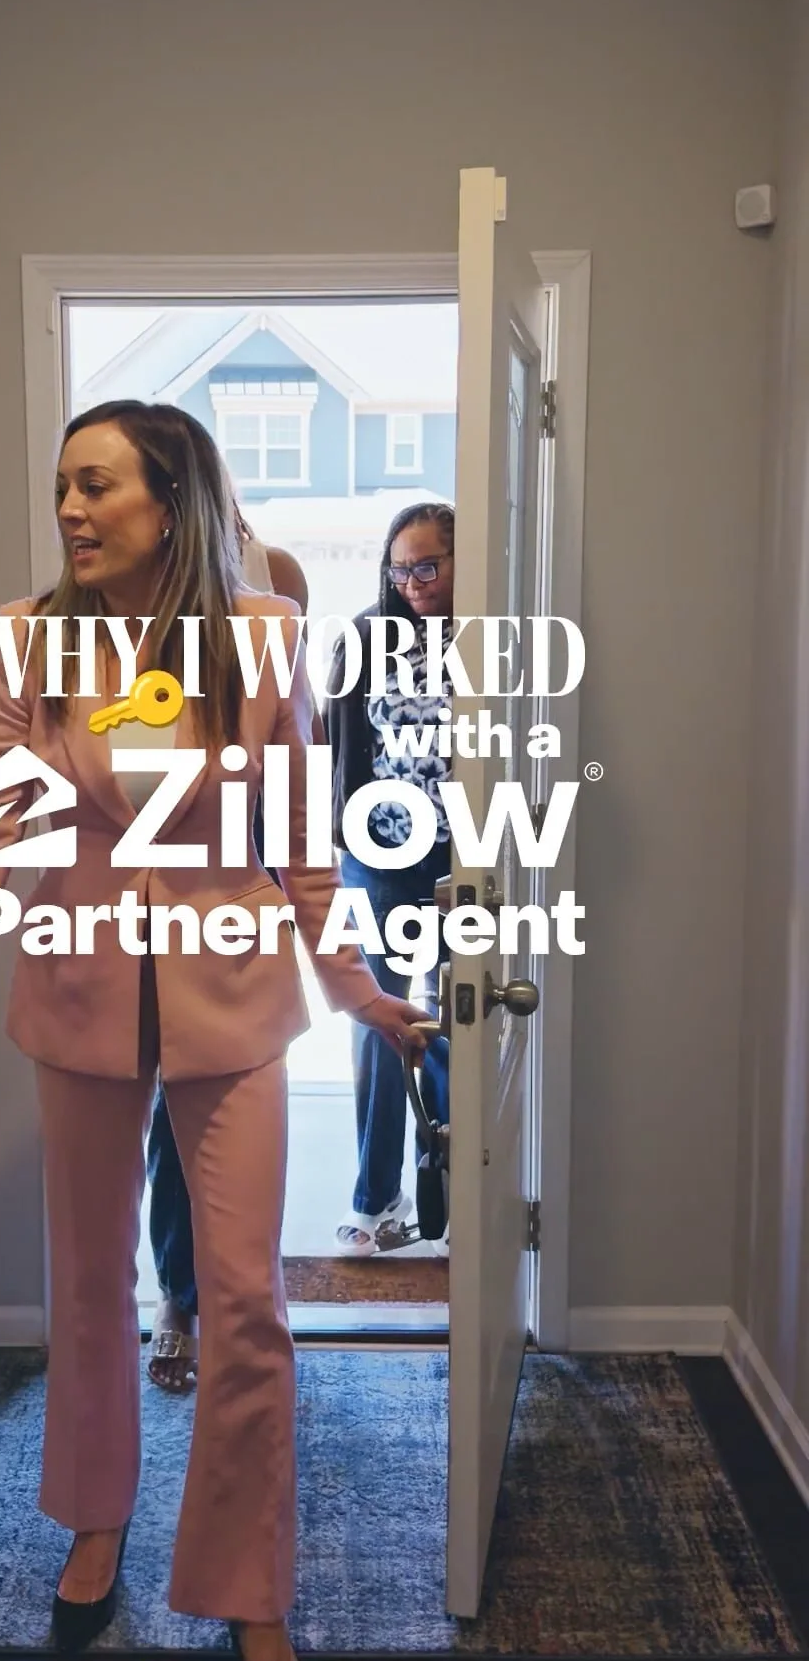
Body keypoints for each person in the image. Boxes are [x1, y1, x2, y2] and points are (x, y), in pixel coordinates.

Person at [0, 401, 429, 1661]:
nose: (71, 509)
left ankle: (252, 1603)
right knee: (92, 1285)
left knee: (246, 1305)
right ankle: (95, 1518)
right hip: (80, 1002)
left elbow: (302, 842)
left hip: (234, 1006)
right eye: (63, 485)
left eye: (98, 485)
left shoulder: (265, 637)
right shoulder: (32, 639)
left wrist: (359, 993)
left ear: (172, 501)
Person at [145, 513, 308, 1394]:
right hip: (154, 885)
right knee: (170, 1114)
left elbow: (294, 729)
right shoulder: (115, 599)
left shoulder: (273, 579)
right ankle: (179, 1294)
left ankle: (244, 1296)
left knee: (247, 1117)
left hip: (251, 866)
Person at [323, 501, 456, 1257]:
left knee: (457, 1014)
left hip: (465, 856)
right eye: (401, 569)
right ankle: (377, 1198)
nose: (413, 583)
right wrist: (348, 843)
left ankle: (445, 1187)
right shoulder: (366, 638)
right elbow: (346, 753)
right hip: (382, 853)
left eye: (428, 566)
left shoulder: (492, 641)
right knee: (382, 1019)